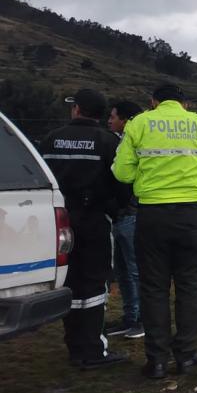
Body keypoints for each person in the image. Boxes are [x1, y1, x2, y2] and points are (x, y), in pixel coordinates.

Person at [112, 83, 197, 379]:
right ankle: (187, 356)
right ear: (185, 103)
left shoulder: (140, 123)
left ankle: (157, 361)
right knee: (190, 288)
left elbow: (122, 172)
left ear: (153, 101)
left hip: (152, 216)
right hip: (191, 216)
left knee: (153, 290)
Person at [42, 88, 126, 368]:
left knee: (70, 281)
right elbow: (121, 184)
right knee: (95, 284)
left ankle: (75, 345)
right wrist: (116, 209)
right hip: (94, 220)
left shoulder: (52, 139)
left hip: (61, 223)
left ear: (77, 109)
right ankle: (93, 349)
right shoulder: (107, 141)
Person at [106, 99, 145, 340]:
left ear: (126, 119)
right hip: (119, 215)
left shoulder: (136, 142)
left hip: (132, 213)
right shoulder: (118, 142)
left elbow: (127, 178)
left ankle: (141, 319)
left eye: (113, 116)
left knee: (134, 269)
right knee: (122, 270)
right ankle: (129, 317)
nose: (110, 121)